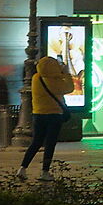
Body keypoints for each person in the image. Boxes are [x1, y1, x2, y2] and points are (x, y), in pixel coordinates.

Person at [17, 44, 74, 177]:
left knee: (36, 143)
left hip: (38, 115)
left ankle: (22, 168)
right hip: (54, 116)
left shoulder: (37, 78)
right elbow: (69, 88)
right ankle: (45, 172)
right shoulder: (56, 81)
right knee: (50, 144)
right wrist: (65, 73)